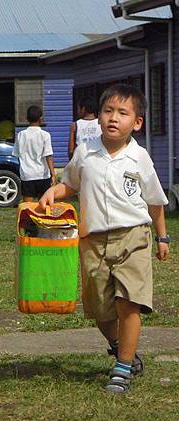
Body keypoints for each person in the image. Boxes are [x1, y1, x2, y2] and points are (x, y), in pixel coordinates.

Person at [39, 84, 171, 393]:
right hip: (92, 240)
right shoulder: (86, 152)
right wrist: (52, 192)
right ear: (98, 117)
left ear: (136, 122)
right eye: (108, 111)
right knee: (99, 309)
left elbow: (155, 202)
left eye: (122, 113)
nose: (113, 118)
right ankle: (119, 345)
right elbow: (69, 184)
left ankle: (122, 368)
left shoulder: (139, 158)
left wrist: (162, 238)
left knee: (130, 302)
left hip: (133, 237)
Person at [12, 105, 56, 202]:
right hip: (43, 174)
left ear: (27, 119)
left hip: (27, 175)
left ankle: (28, 218)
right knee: (44, 204)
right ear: (41, 119)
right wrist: (53, 174)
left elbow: (17, 154)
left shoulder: (21, 135)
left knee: (27, 206)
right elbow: (48, 156)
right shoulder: (45, 135)